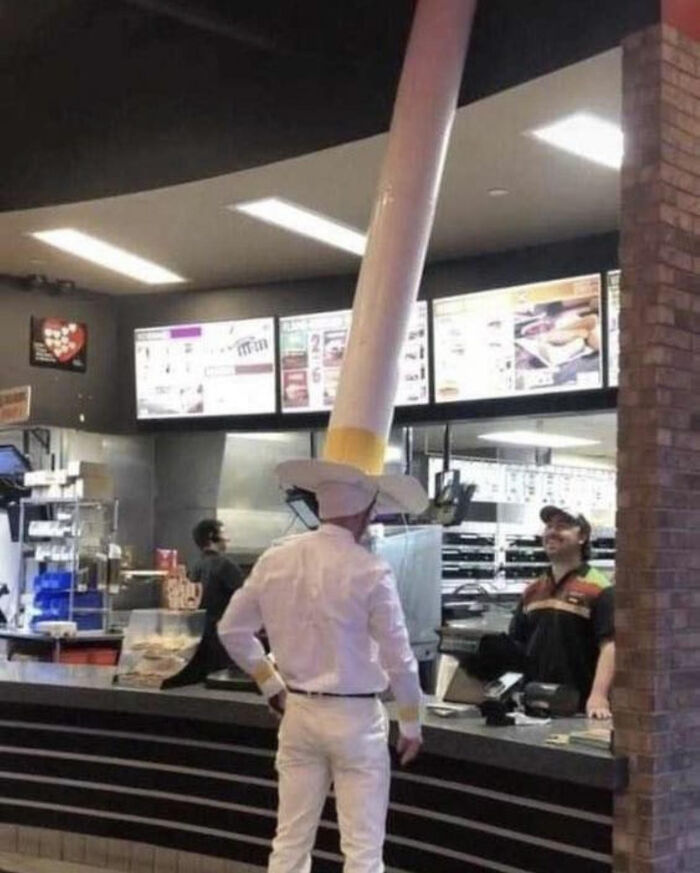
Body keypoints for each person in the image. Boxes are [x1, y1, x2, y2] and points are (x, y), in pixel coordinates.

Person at [218, 458, 427, 873]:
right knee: (362, 848)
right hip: (356, 718)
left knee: (290, 841)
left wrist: (271, 684)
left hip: (298, 712)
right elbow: (399, 658)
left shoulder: (275, 559)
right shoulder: (371, 570)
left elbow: (231, 630)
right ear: (365, 512)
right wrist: (410, 722)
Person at [509, 505, 615, 719]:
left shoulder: (599, 588)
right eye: (548, 526)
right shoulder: (532, 590)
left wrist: (598, 696)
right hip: (532, 706)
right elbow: (515, 645)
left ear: (582, 536)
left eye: (562, 526)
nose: (552, 532)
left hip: (578, 709)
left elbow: (610, 646)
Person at [188, 518, 244, 676]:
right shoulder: (225, 565)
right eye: (224, 533)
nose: (228, 539)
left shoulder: (195, 566)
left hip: (199, 638)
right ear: (212, 536)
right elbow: (245, 600)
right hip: (222, 641)